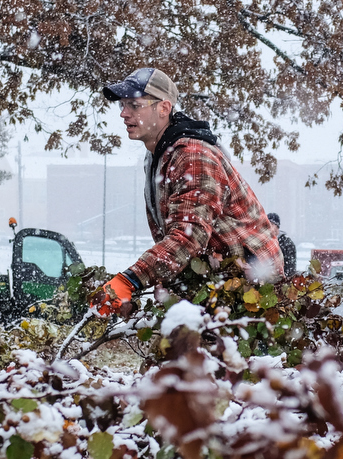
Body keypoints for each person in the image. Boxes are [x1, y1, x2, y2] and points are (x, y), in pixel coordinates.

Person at [94, 68, 284, 316]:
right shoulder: (160, 157)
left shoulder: (193, 156)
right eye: (122, 104)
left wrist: (130, 279)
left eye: (134, 105)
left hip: (253, 294)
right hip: (217, 288)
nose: (124, 113)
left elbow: (188, 236)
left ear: (163, 108)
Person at [267, 213, 297, 278]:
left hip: (282, 280)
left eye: (271, 224)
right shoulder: (264, 241)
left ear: (277, 226)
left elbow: (290, 266)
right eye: (267, 224)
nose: (268, 227)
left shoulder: (287, 243)